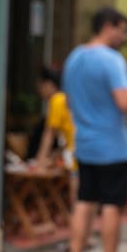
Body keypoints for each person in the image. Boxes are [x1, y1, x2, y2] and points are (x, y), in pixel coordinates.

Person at [62, 7, 127, 252]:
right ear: (108, 27)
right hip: (113, 146)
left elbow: (69, 102)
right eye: (122, 30)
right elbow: (124, 102)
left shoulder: (74, 58)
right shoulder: (112, 61)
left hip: (85, 144)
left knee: (83, 202)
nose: (124, 36)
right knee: (111, 206)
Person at [32, 67, 78, 205]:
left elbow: (49, 134)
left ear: (49, 85)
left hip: (77, 153)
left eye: (40, 86)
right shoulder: (66, 98)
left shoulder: (57, 100)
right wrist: (53, 157)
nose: (39, 90)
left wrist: (39, 163)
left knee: (77, 197)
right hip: (82, 150)